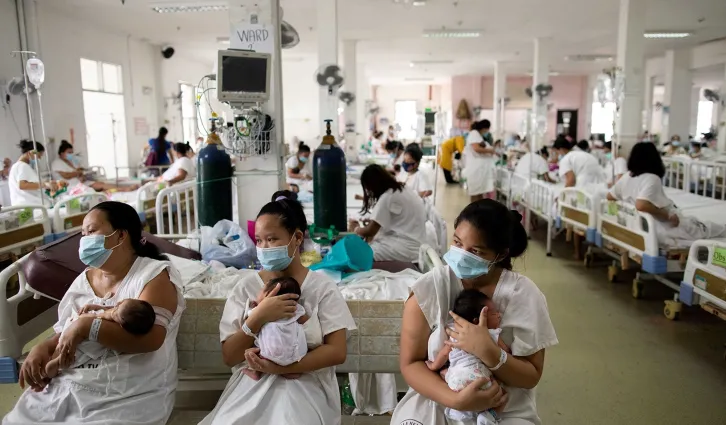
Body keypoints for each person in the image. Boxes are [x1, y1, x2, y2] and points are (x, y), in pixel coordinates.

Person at [3, 201, 184, 425]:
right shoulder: (83, 281)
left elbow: (151, 340)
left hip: (128, 392)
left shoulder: (153, 276)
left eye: (92, 231)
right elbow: (65, 330)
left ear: (120, 236)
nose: (85, 240)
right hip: (68, 382)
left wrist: (88, 326)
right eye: (82, 233)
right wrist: (43, 347)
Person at [391, 199, 558, 425]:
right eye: (457, 242)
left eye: (475, 251)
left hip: (504, 407)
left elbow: (531, 376)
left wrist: (491, 353)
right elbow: (410, 364)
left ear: (500, 254)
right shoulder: (430, 289)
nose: (461, 254)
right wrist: (457, 400)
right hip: (435, 400)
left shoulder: (524, 295)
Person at [199, 192, 356, 425]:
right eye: (259, 240)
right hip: (252, 385)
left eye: (272, 239)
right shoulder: (246, 288)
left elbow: (336, 351)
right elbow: (230, 356)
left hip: (306, 383)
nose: (263, 247)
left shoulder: (322, 288)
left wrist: (282, 367)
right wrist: (258, 317)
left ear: (297, 238)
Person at [607, 143, 726, 248]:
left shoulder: (627, 176)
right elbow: (641, 205)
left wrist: (627, 203)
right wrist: (668, 215)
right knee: (705, 228)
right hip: (662, 228)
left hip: (640, 227)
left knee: (702, 225)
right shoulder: (652, 178)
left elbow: (610, 196)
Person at [426, 289, 509, 425]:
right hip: (481, 378)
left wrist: (433, 366)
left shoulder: (455, 332)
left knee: (445, 372)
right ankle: (489, 415)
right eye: (494, 313)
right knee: (503, 394)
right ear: (478, 320)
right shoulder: (492, 334)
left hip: (456, 380)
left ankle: (458, 412)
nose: (499, 315)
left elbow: (445, 352)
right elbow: (505, 353)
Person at [44, 299, 157, 378]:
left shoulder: (114, 327)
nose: (116, 305)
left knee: (64, 358)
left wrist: (95, 315)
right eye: (121, 303)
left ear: (121, 325)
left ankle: (52, 367)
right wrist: (97, 307)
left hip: (82, 343)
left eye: (117, 311)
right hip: (73, 328)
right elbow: (106, 311)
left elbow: (94, 322)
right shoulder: (121, 313)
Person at [350, 164, 427, 262]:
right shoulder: (402, 188)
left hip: (405, 248)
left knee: (360, 256)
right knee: (372, 242)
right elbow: (397, 217)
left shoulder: (387, 197)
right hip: (416, 243)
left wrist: (356, 229)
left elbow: (370, 231)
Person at [241, 276, 309, 381]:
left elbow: (249, 319)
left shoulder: (260, 310)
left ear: (268, 295)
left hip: (271, 352)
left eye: (262, 291)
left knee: (254, 353)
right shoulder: (295, 309)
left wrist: (256, 308)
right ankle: (289, 372)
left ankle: (256, 372)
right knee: (294, 346)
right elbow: (304, 319)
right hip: (295, 352)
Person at [52, 141, 137, 192]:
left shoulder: (71, 162)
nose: (71, 155)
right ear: (62, 153)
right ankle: (124, 190)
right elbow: (66, 175)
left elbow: (79, 171)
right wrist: (78, 173)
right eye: (69, 153)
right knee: (100, 188)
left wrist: (81, 175)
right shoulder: (57, 163)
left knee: (101, 184)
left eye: (72, 152)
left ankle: (124, 189)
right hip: (70, 185)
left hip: (80, 182)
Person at [8, 140, 64, 206]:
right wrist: (45, 185)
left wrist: (49, 184)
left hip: (28, 205)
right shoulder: (22, 166)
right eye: (39, 155)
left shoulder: (18, 166)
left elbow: (32, 184)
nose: (39, 158)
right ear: (30, 152)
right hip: (31, 206)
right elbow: (22, 185)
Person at [463, 120, 496, 202]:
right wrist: (490, 151)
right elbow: (476, 148)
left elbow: (480, 146)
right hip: (475, 169)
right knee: (475, 192)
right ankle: (474, 212)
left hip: (479, 170)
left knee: (479, 192)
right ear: (485, 128)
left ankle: (478, 211)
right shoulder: (474, 133)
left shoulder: (477, 135)